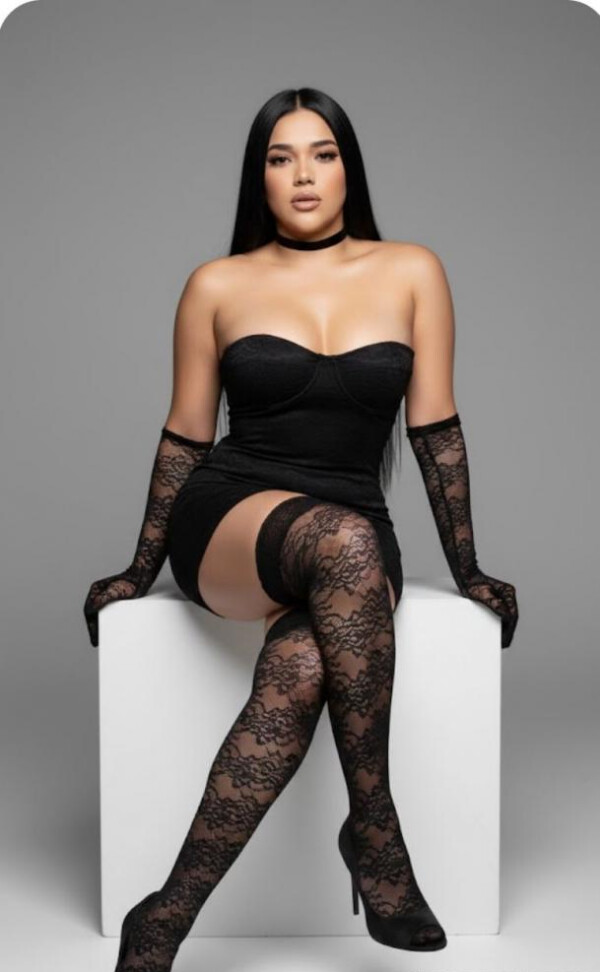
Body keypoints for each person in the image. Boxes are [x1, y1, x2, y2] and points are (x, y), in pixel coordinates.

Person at [83, 87, 518, 970]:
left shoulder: (412, 271)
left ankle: (163, 916)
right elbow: (185, 438)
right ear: (261, 178)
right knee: (341, 542)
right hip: (232, 516)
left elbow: (436, 432)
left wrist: (469, 569)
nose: (303, 175)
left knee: (308, 656)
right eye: (280, 159)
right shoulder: (217, 284)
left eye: (322, 154)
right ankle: (378, 832)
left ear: (349, 168)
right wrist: (137, 570)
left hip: (352, 526)